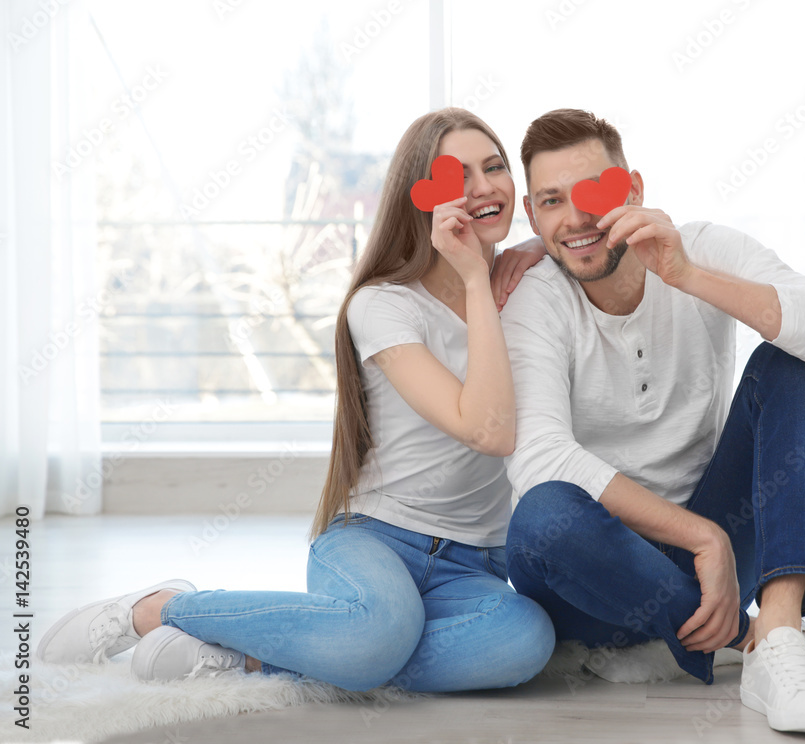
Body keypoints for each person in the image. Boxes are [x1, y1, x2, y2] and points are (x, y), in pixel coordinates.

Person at [37, 108, 555, 693]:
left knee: (523, 640)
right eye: (458, 176)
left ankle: (269, 658)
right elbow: (486, 428)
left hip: (475, 562)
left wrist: (539, 245)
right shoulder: (382, 305)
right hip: (375, 539)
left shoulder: (529, 290)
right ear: (423, 196)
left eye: (495, 167)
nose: (484, 188)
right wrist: (473, 279)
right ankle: (162, 608)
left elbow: (588, 242)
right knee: (378, 631)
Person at [499, 109, 805, 734]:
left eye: (596, 192)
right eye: (553, 202)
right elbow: (537, 457)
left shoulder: (699, 248)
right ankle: (767, 642)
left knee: (794, 361)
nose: (576, 217)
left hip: (719, 560)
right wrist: (702, 537)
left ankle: (777, 631)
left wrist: (690, 277)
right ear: (533, 217)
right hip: (598, 573)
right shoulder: (535, 300)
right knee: (541, 516)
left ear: (635, 189)